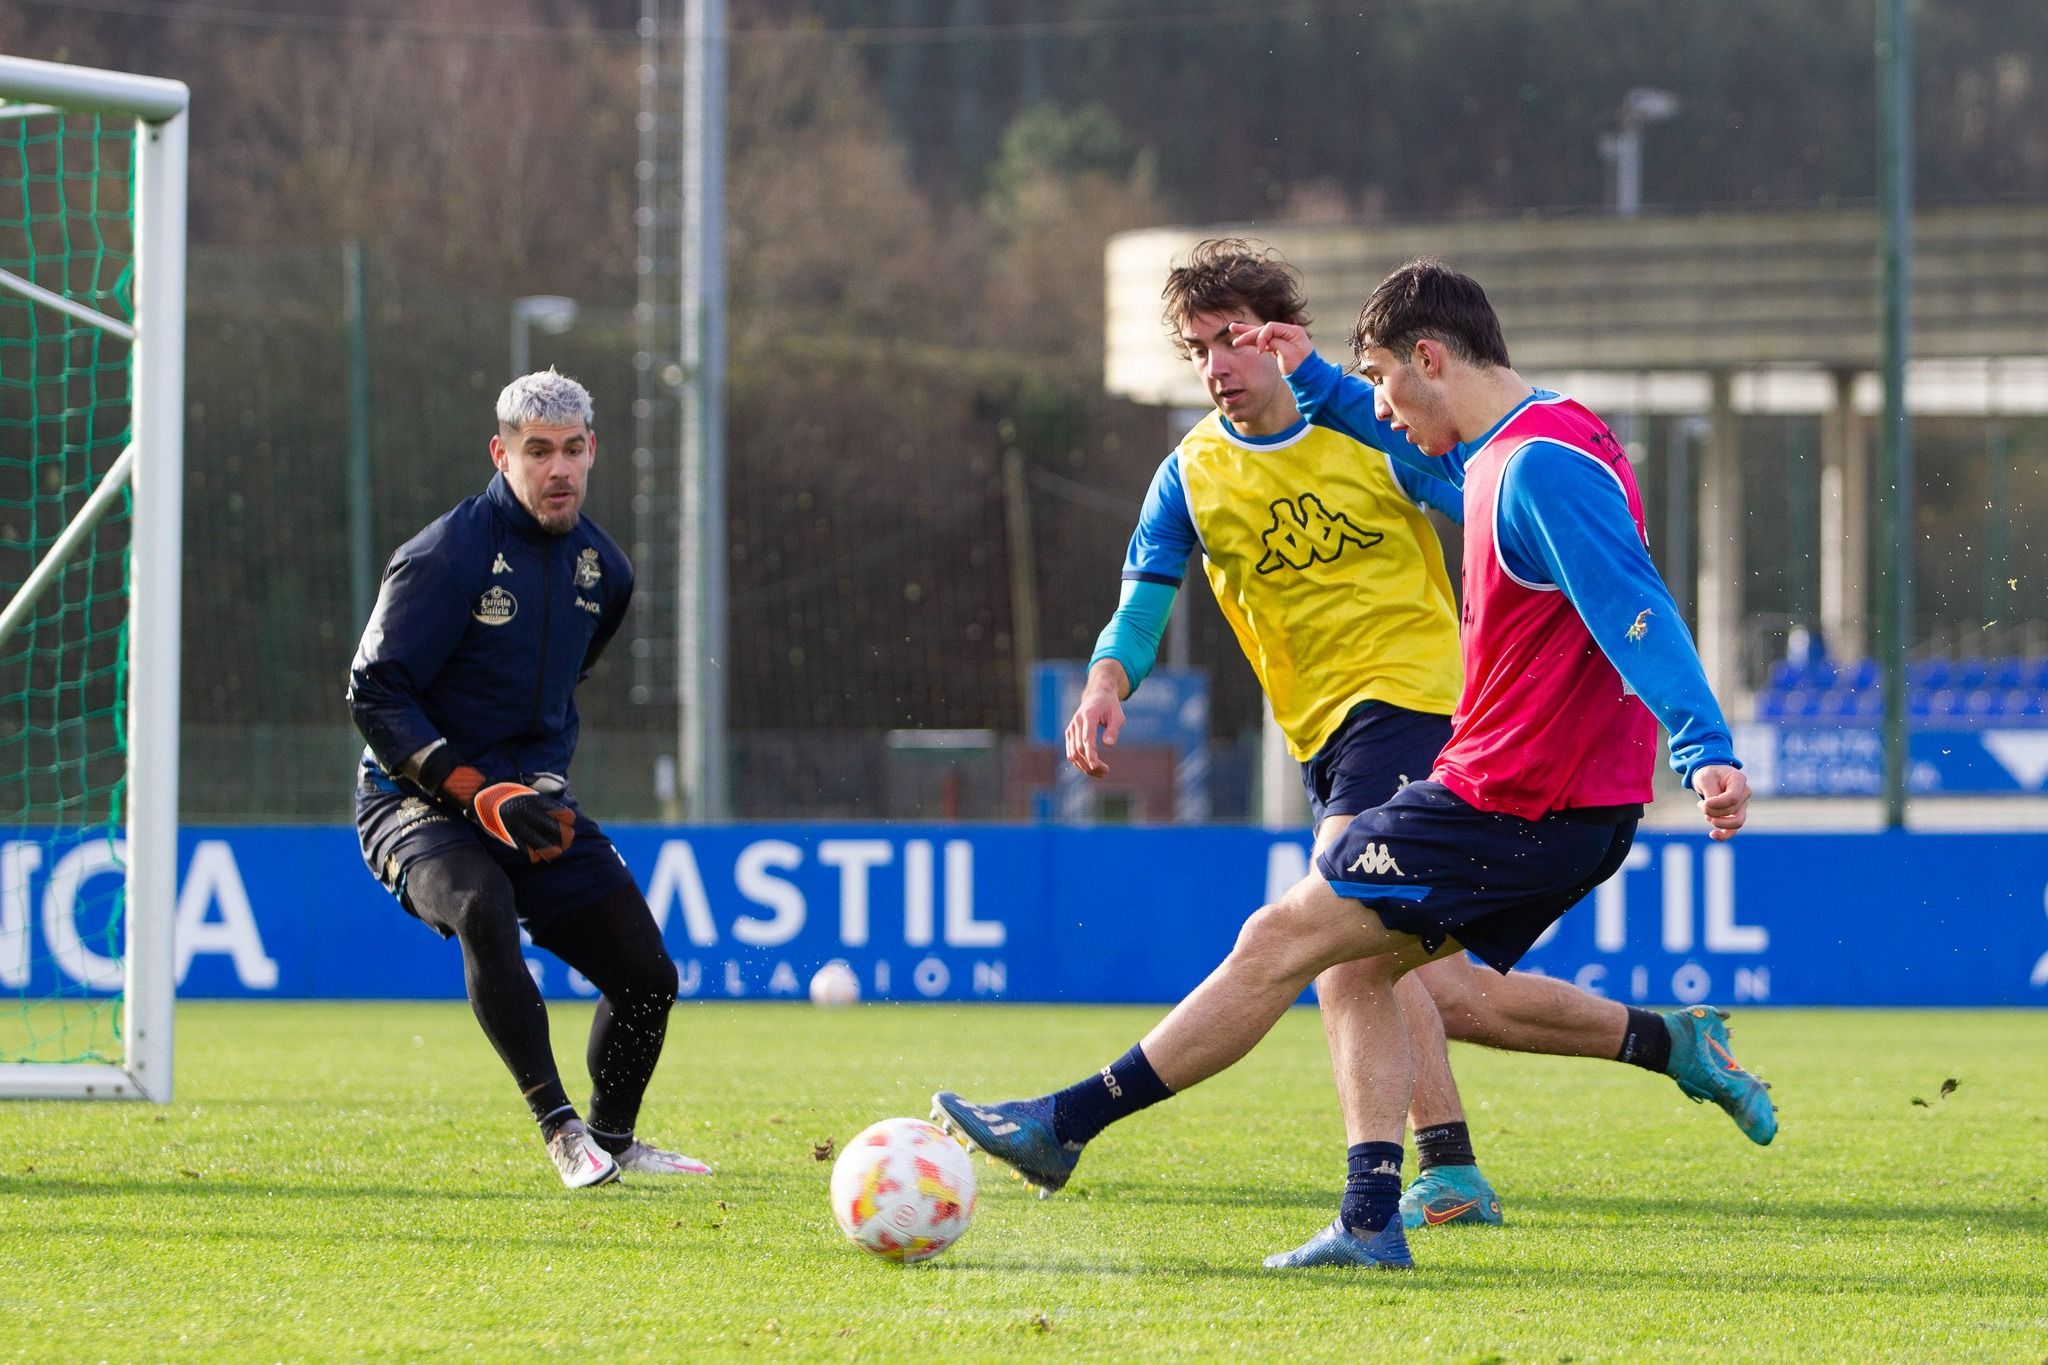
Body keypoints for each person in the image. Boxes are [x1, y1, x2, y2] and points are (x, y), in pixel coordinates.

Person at [938, 258, 1754, 1269]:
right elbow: (1146, 592)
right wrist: (1109, 674)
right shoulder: (1193, 473)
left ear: (1287, 337)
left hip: (1429, 722)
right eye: (1196, 349)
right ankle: (1617, 1071)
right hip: (1351, 746)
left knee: (1295, 942)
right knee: (1407, 982)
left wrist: (1701, 742)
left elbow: (1558, 541)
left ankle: (1069, 1125)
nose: (1215, 365)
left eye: (1231, 337)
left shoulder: (1418, 437)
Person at [348, 369, 709, 1190]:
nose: (559, 469)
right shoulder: (444, 556)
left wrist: (525, 786)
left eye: (573, 451)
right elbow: (372, 692)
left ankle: (613, 1136)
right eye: (537, 451)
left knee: (648, 977)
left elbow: (559, 680)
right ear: (501, 454)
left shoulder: (604, 571)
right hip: (412, 804)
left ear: (594, 452)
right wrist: (473, 787)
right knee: (481, 903)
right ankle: (560, 1126)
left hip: (528, 802)